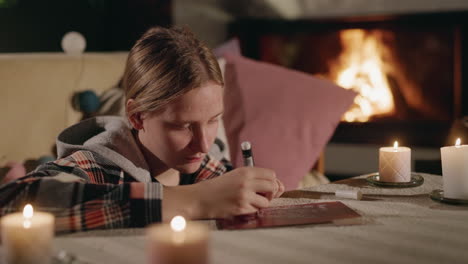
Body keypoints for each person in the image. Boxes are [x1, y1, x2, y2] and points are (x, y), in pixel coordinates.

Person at [0, 26, 284, 232]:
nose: (203, 144)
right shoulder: (97, 166)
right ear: (137, 117)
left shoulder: (206, 166)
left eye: (213, 121)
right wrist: (195, 201)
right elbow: (10, 202)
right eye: (183, 126)